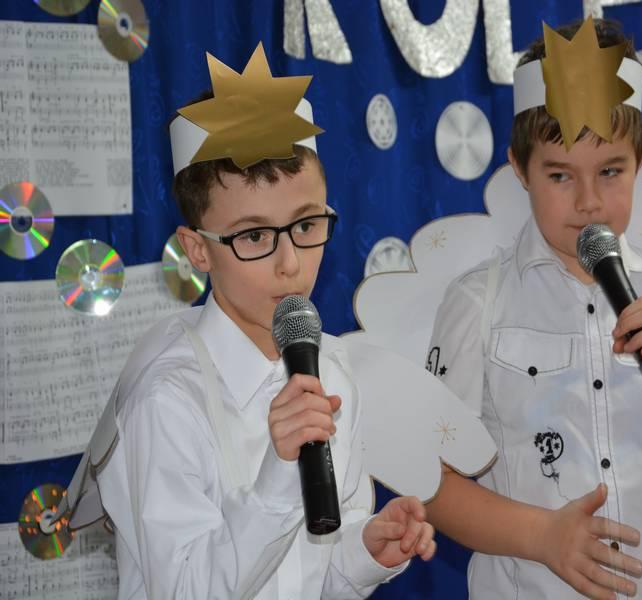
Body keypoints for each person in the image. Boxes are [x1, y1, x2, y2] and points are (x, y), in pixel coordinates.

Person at [98, 43, 435, 599]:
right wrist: (278, 480)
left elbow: (318, 575)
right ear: (197, 249)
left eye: (306, 226)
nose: (290, 264)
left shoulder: (333, 370)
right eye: (254, 236)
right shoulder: (168, 400)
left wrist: (366, 551)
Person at [424, 18, 642, 599]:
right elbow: (432, 484)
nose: (589, 201)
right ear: (519, 168)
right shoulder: (478, 302)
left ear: (641, 158)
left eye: (611, 171)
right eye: (559, 175)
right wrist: (543, 536)